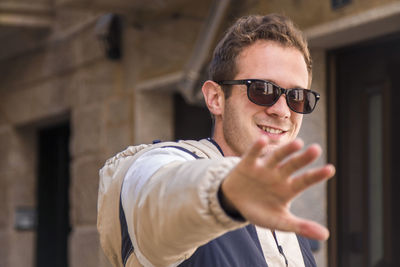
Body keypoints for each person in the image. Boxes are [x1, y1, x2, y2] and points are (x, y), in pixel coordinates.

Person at [97, 14, 335, 267]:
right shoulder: (161, 165)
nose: (282, 110)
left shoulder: (288, 230)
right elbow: (157, 197)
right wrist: (223, 195)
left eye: (297, 97)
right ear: (215, 98)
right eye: (262, 90)